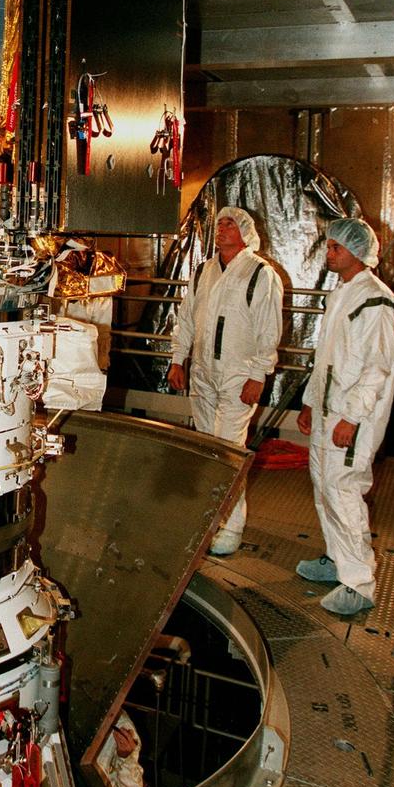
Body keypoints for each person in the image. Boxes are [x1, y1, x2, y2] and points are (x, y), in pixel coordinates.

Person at [296, 218, 394, 616]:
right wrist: (309, 402)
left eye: (335, 248)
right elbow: (326, 358)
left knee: (343, 491)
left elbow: (376, 369)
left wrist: (352, 418)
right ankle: (336, 558)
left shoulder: (375, 301)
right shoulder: (342, 294)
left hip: (353, 417)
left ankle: (358, 583)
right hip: (329, 410)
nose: (329, 253)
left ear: (356, 252)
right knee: (324, 487)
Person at [167, 206, 283, 555]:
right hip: (203, 373)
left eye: (231, 223)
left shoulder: (261, 274)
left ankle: (230, 530)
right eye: (219, 223)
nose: (222, 227)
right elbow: (187, 317)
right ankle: (206, 522)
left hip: (238, 376)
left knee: (229, 451)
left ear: (246, 232)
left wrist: (258, 375)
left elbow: (268, 329)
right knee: (206, 449)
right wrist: (177, 359)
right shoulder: (205, 270)